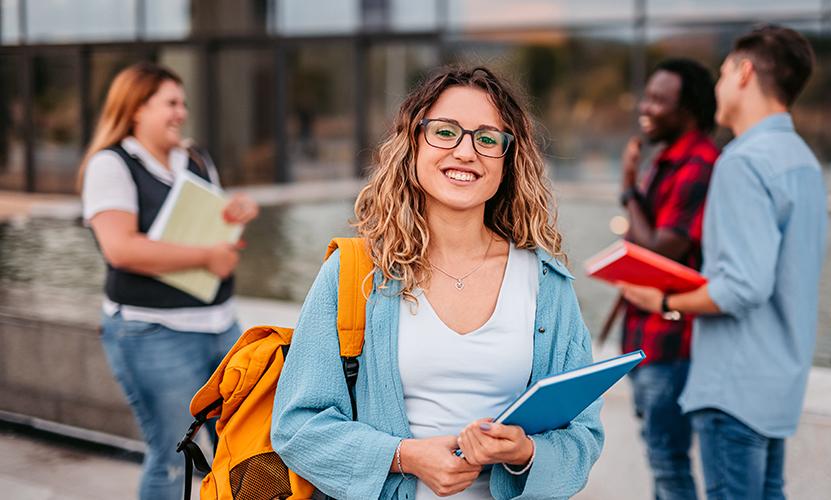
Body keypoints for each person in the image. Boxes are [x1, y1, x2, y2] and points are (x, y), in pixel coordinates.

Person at [271, 66, 604, 500]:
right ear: (412, 144)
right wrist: (403, 456)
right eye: (445, 132)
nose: (466, 152)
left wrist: (526, 453)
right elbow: (298, 425)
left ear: (509, 159)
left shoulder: (546, 284)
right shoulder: (356, 272)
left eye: (487, 138)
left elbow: (584, 434)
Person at [619, 25, 827, 500]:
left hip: (732, 387)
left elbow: (741, 287)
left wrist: (663, 299)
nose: (716, 87)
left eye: (721, 73)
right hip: (778, 384)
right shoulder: (802, 161)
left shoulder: (743, 161)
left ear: (744, 72)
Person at [78, 62, 259, 500]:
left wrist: (234, 215)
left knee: (243, 452)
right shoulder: (112, 164)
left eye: (183, 102)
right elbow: (120, 249)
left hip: (221, 326)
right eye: (171, 103)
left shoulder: (194, 157)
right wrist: (205, 256)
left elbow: (212, 230)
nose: (182, 112)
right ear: (136, 109)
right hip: (152, 333)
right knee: (172, 455)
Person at [618, 58, 718, 500]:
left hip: (672, 341)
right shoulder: (668, 160)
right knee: (662, 460)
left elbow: (657, 253)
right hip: (651, 337)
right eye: (647, 95)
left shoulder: (698, 164)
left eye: (660, 99)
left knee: (667, 462)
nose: (646, 107)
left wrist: (628, 190)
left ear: (688, 110)